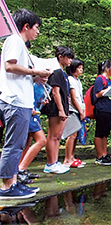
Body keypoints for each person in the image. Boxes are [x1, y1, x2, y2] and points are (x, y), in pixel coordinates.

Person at [0, 8, 51, 199]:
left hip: (21, 101)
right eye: (36, 27)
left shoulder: (19, 44)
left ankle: (12, 182)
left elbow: (15, 72)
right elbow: (9, 66)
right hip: (15, 101)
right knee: (13, 145)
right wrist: (34, 72)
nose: (38, 32)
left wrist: (37, 78)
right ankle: (6, 187)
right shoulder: (15, 40)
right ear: (26, 26)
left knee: (18, 144)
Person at [42, 46, 75, 174]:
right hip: (56, 108)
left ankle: (55, 162)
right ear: (60, 57)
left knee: (58, 136)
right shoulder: (56, 72)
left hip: (63, 107)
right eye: (68, 57)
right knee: (53, 136)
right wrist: (61, 110)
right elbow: (55, 92)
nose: (70, 60)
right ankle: (50, 163)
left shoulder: (63, 73)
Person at [93, 60, 111, 166]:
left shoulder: (110, 81)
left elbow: (110, 95)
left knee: (105, 133)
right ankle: (99, 156)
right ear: (107, 68)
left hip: (109, 109)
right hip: (101, 109)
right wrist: (109, 90)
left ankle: (105, 154)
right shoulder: (100, 79)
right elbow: (97, 94)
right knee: (99, 133)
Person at [64, 58, 86, 168]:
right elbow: (73, 98)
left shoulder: (78, 81)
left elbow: (80, 98)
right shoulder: (70, 80)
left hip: (79, 109)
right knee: (71, 135)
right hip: (72, 109)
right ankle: (67, 159)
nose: (81, 70)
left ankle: (72, 157)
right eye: (79, 68)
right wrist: (80, 111)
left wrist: (83, 110)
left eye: (82, 68)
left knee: (76, 134)